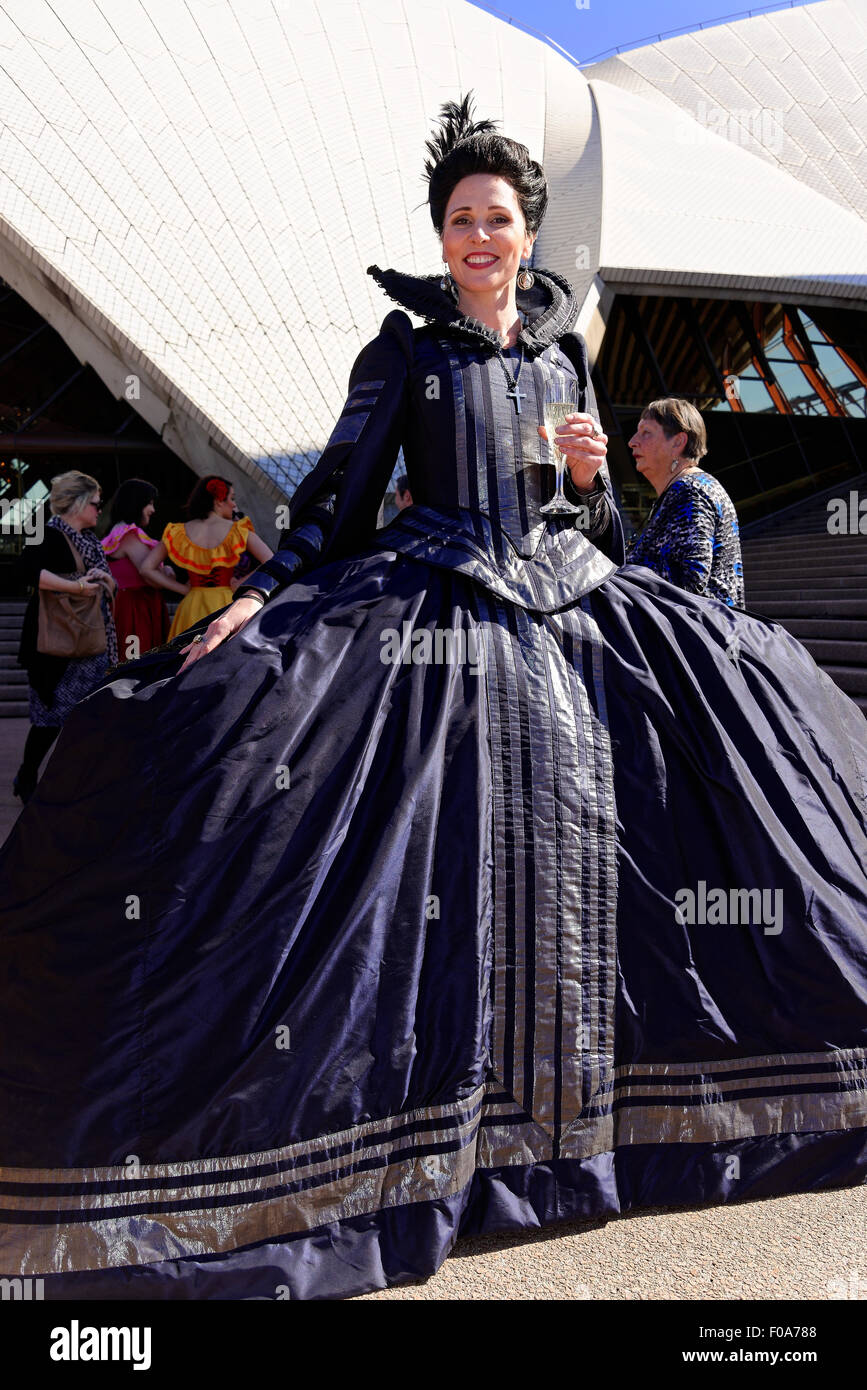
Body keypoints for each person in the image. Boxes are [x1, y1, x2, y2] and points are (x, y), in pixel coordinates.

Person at [1, 94, 866, 1302]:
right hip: (440, 603)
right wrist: (259, 596)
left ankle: (628, 1121)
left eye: (497, 218)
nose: (477, 235)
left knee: (752, 718)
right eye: (459, 218)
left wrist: (592, 478)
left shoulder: (566, 355)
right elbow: (337, 506)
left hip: (574, 603)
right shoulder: (401, 353)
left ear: (528, 234)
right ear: (441, 234)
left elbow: (601, 531)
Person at [12, 470, 117, 803]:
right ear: (80, 502)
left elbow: (112, 585)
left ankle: (74, 783)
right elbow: (26, 571)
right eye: (96, 503)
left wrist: (103, 580)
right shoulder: (48, 532)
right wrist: (78, 586)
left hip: (92, 639)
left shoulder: (89, 539)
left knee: (89, 717)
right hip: (55, 640)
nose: (100, 510)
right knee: (49, 719)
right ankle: (28, 775)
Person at [626, 399, 744, 607]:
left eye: (646, 433)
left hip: (699, 633)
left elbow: (689, 578)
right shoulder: (684, 489)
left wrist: (621, 574)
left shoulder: (691, 491)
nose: (633, 441)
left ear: (678, 442)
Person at [140, 475, 273, 641]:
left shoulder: (179, 531)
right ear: (218, 501)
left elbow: (146, 568)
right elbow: (271, 560)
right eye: (231, 499)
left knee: (184, 660)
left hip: (192, 604)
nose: (234, 504)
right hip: (225, 603)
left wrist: (182, 589)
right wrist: (241, 583)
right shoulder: (238, 530)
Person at [102, 478, 173, 661]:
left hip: (136, 606)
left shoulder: (123, 533)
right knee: (134, 664)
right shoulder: (128, 534)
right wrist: (169, 575)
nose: (153, 509)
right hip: (134, 610)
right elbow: (149, 573)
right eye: (149, 503)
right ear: (136, 503)